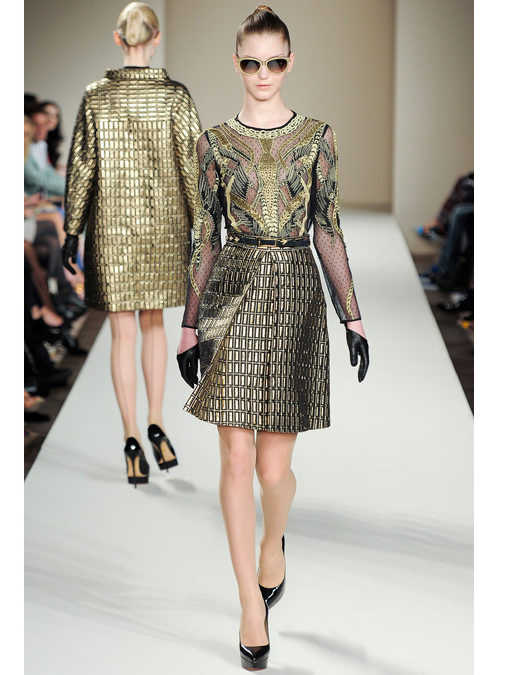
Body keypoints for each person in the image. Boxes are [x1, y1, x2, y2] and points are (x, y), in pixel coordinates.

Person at [176, 6, 369, 670]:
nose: (264, 73)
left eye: (276, 62)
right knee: (235, 461)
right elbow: (204, 237)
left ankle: (272, 543)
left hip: (294, 297)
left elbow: (327, 227)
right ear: (237, 63)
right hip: (230, 294)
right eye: (253, 62)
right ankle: (249, 606)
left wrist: (352, 314)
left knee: (272, 471)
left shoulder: (317, 137)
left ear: (290, 63)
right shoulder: (212, 142)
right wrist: (189, 323)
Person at [62, 2, 202, 483]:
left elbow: (82, 167)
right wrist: (204, 226)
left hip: (111, 228)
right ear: (156, 38)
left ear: (117, 38)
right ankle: (157, 422)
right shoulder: (175, 97)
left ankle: (130, 438)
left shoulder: (95, 97)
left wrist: (72, 229)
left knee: (121, 332)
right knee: (153, 326)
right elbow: (192, 165)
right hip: (164, 227)